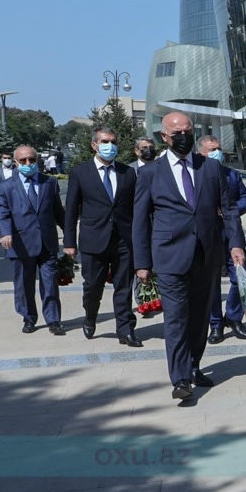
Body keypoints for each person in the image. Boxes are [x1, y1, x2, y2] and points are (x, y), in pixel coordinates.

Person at [134, 111, 245, 401]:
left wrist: (236, 243)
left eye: (188, 131)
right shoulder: (149, 173)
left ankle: (194, 365)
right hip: (169, 257)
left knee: (199, 318)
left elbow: (229, 209)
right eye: (177, 133)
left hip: (207, 255)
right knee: (175, 318)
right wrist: (142, 262)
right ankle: (180, 378)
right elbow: (140, 220)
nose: (184, 136)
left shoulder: (210, 168)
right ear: (164, 137)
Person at [63, 127, 140, 347]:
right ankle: (90, 316)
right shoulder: (80, 172)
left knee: (123, 286)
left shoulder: (127, 173)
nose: (110, 146)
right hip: (93, 239)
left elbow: (134, 207)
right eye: (105, 141)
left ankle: (125, 330)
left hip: (123, 240)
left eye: (113, 141)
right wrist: (69, 242)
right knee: (93, 286)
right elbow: (71, 209)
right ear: (94, 145)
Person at [0, 145, 66, 335]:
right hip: (21, 243)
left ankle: (53, 320)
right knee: (24, 284)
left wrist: (69, 237)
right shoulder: (6, 186)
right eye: (23, 160)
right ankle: (28, 318)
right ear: (16, 162)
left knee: (50, 282)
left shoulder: (49, 183)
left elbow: (58, 211)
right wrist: (5, 233)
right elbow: (1, 212)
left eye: (32, 160)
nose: (28, 163)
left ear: (37, 161)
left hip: (47, 241)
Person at [200, 136, 246, 344]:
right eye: (212, 149)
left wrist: (230, 211)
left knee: (240, 278)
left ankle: (233, 317)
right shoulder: (198, 176)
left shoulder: (232, 175)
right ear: (201, 153)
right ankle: (216, 324)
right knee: (212, 283)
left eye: (219, 148)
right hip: (209, 237)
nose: (217, 152)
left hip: (232, 235)